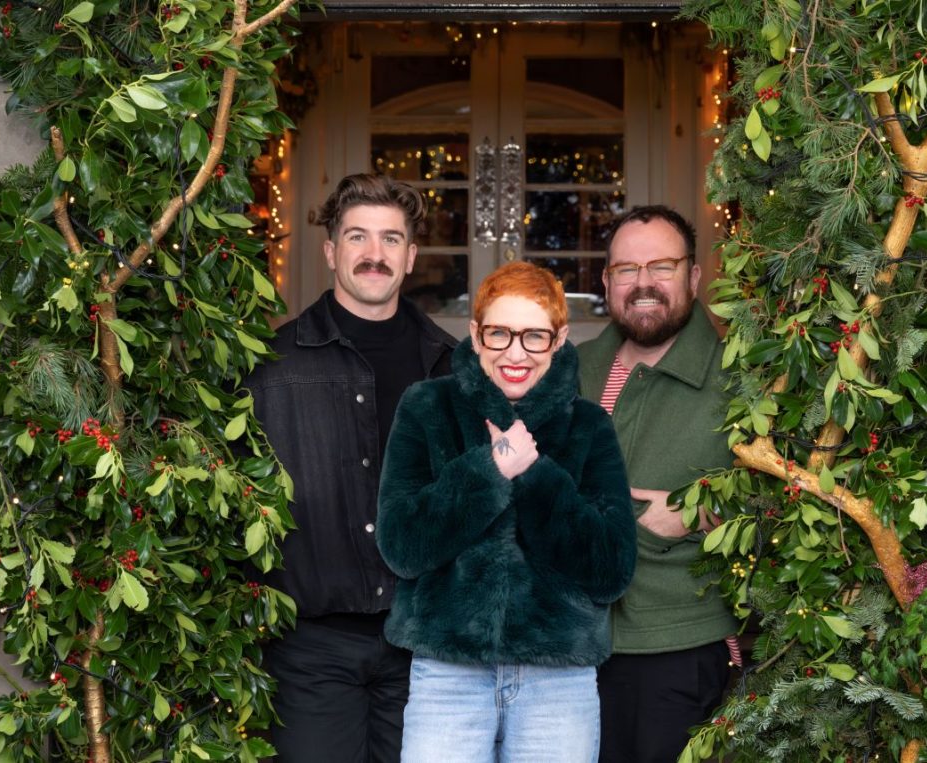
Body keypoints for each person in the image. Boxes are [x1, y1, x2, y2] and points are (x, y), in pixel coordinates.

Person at [376, 262, 637, 763]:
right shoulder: (427, 406)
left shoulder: (588, 424)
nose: (515, 353)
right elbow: (401, 546)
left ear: (558, 340)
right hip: (448, 672)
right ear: (476, 334)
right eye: (499, 333)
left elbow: (610, 570)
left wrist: (535, 475)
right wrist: (489, 470)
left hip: (558, 678)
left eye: (534, 336)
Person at [243, 173, 457, 762]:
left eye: (391, 239)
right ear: (331, 250)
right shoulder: (271, 366)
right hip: (311, 647)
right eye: (357, 237)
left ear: (411, 256)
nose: (374, 254)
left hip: (423, 644)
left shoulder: (450, 366)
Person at [577, 206, 739, 763]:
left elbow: (791, 495)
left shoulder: (736, 379)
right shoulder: (570, 371)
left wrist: (701, 510)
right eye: (626, 269)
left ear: (694, 276)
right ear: (606, 281)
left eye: (662, 266)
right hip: (571, 645)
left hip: (677, 645)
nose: (643, 282)